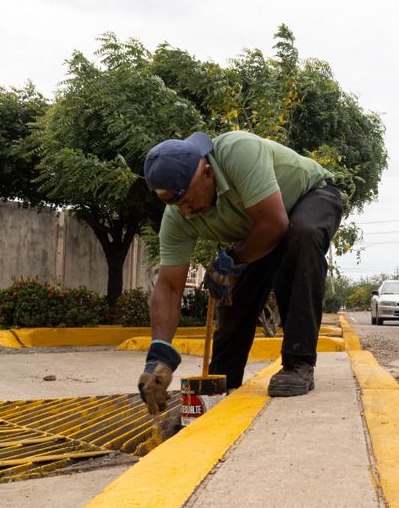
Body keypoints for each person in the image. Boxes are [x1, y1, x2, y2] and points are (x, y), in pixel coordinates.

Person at [136, 130, 343, 415]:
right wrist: (158, 356)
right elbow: (170, 287)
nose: (185, 211)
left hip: (310, 197)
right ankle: (224, 376)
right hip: (262, 229)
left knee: (302, 236)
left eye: (189, 199)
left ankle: (299, 364)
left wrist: (232, 260)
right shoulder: (178, 217)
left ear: (207, 173)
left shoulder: (238, 152)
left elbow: (275, 225)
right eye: (175, 204)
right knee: (235, 293)